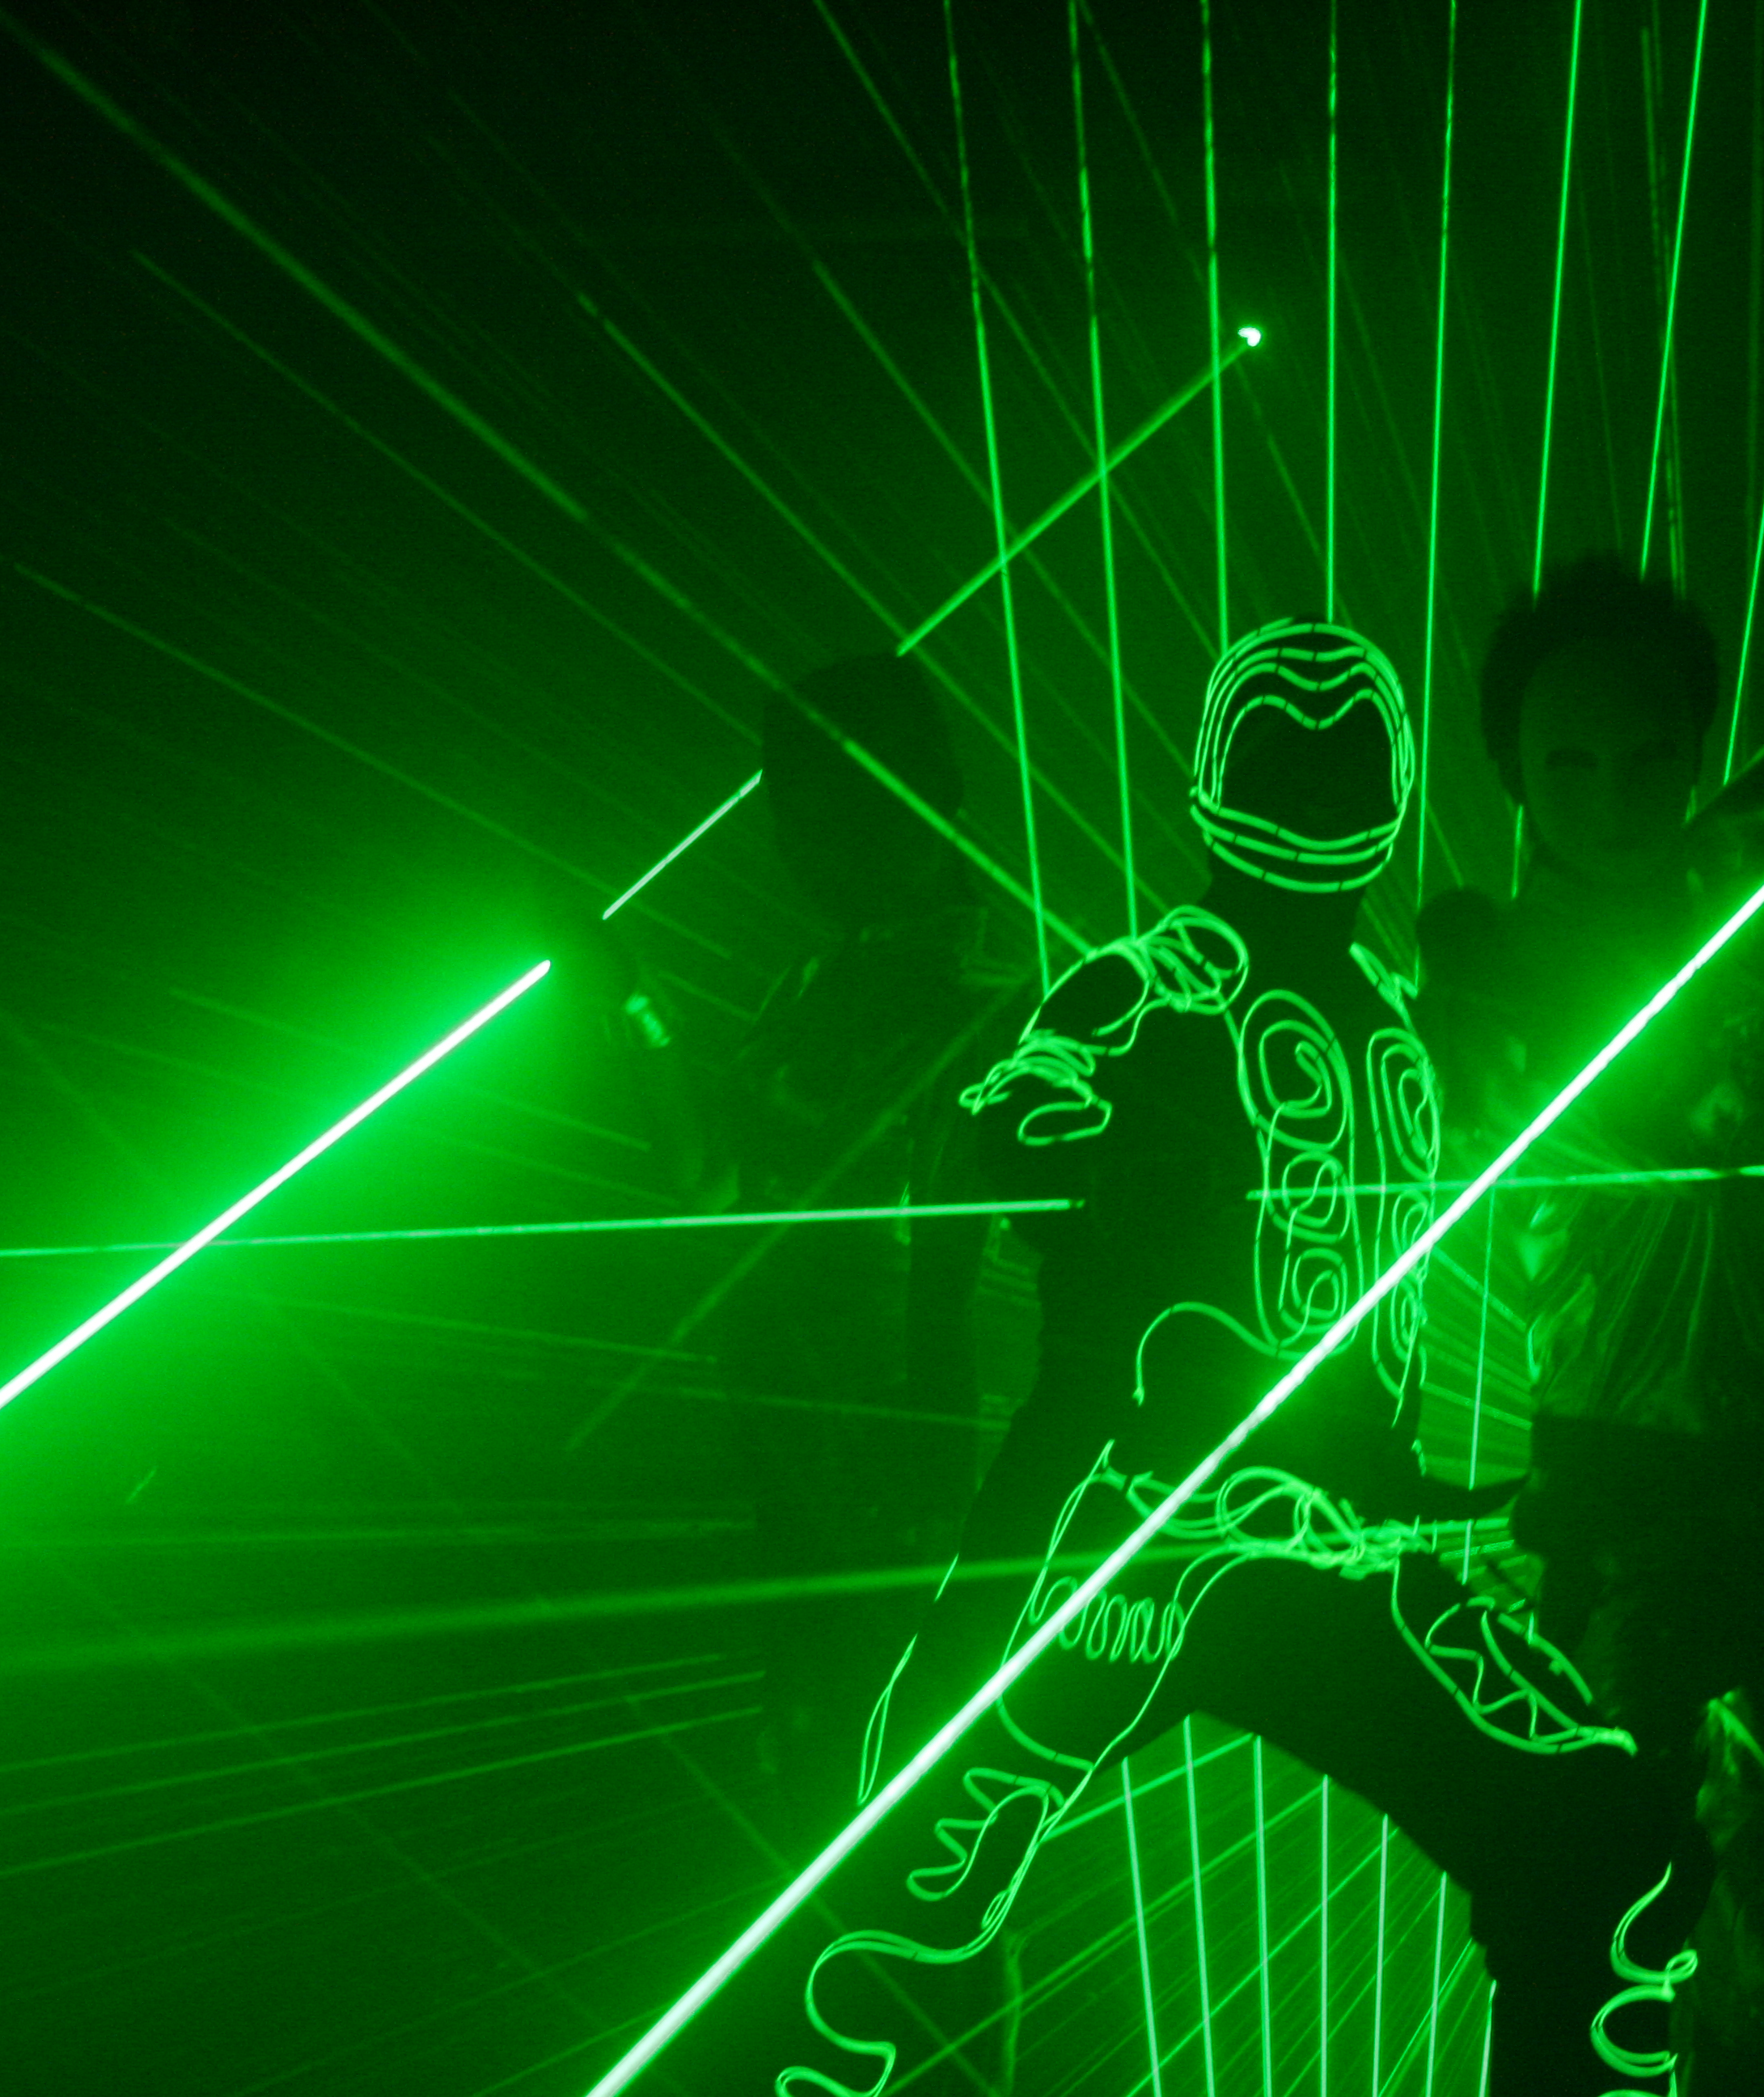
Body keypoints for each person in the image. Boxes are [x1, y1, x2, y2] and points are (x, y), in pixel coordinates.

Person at [691, 619, 1706, 2097]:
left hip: (1342, 1537)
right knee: (890, 1895)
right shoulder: (1155, 984)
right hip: (1124, 1527)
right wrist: (1066, 1143)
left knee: (1608, 1842)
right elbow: (1015, 1121)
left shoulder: (1392, 1022)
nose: (1314, 808)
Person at [1415, 555, 1764, 2095]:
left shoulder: (1763, 924)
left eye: (1649, 759)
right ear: (1515, 770)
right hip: (1619, 1479)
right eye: (1572, 763)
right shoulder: (1489, 966)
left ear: (1694, 751)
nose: (1612, 796)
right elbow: (1546, 1142)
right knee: (1588, 1857)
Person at [578, 655, 1021, 1836]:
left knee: (902, 1822)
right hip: (788, 1452)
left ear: (920, 790)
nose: (804, 842)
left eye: (832, 802)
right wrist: (631, 1000)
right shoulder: (811, 983)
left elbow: (967, 1272)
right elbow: (709, 1182)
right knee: (811, 1800)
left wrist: (937, 1510)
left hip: (895, 1482)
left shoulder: (990, 998)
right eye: (790, 807)